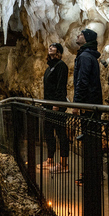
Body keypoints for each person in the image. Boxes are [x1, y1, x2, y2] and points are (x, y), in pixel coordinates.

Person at [71, 28, 103, 216]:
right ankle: (93, 174)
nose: (78, 35)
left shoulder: (84, 57)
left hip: (89, 105)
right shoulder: (90, 55)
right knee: (93, 140)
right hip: (94, 103)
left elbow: (82, 81)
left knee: (90, 140)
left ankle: (91, 176)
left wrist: (76, 104)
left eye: (81, 34)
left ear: (87, 39)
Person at [42, 43, 69, 173]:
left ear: (58, 50)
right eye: (50, 46)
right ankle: (50, 160)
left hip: (56, 106)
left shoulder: (61, 66)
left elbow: (60, 86)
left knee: (60, 133)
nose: (50, 47)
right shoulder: (49, 68)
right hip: (48, 105)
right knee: (48, 132)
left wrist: (57, 104)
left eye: (54, 46)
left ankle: (64, 164)